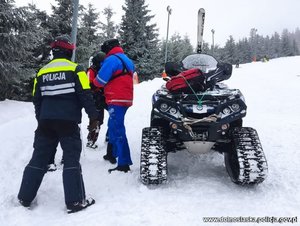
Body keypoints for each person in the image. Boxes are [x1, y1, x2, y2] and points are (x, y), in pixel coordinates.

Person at [17, 35, 99, 214]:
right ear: (69, 51)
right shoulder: (76, 69)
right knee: (71, 159)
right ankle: (75, 201)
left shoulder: (42, 71)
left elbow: (36, 99)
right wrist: (94, 118)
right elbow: (85, 95)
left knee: (38, 158)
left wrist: (41, 119)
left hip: (46, 123)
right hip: (68, 123)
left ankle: (24, 197)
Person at [93, 39, 134, 173]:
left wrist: (93, 82)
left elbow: (100, 81)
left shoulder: (111, 60)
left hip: (115, 98)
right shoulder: (126, 59)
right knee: (113, 126)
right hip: (126, 98)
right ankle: (111, 153)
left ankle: (124, 163)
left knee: (117, 129)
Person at [86, 51, 107, 149]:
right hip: (94, 98)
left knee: (100, 120)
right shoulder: (91, 70)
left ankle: (104, 137)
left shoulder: (102, 70)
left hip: (102, 97)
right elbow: (89, 84)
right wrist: (97, 90)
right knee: (95, 120)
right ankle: (91, 140)